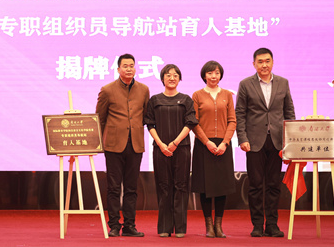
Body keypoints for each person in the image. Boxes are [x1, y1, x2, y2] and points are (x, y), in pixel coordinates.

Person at [235, 47, 296, 238]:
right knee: (255, 185)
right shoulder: (246, 84)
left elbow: (289, 112)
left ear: (273, 62)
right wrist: (242, 138)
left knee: (273, 184)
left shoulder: (283, 83)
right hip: (254, 141)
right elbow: (240, 113)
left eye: (267, 61)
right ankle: (257, 225)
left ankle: (272, 224)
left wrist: (290, 141)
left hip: (277, 141)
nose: (264, 65)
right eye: (260, 62)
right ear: (254, 64)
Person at [95, 54, 149, 237]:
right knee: (114, 188)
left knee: (131, 188)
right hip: (113, 146)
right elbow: (100, 118)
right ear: (118, 69)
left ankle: (129, 225)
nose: (129, 69)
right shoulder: (107, 90)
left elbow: (145, 116)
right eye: (125, 66)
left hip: (135, 144)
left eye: (131, 65)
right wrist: (100, 142)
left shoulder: (144, 89)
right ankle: (113, 225)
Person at [144, 64, 198, 238]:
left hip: (181, 149)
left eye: (175, 75)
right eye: (168, 75)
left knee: (181, 186)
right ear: (162, 78)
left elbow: (190, 123)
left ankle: (180, 228)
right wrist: (161, 144)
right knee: (163, 186)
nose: (172, 78)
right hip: (160, 149)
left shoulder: (186, 100)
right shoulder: (154, 100)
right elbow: (150, 124)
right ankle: (164, 227)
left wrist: (175, 143)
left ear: (180, 79)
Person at [190, 60, 237, 238]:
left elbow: (232, 120)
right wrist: (207, 142)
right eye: (210, 73)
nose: (213, 76)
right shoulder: (197, 95)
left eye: (216, 73)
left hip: (223, 145)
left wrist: (225, 142)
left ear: (220, 75)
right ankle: (208, 226)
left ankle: (219, 225)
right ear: (204, 75)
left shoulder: (227, 95)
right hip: (204, 145)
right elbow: (194, 122)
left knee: (221, 186)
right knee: (205, 187)